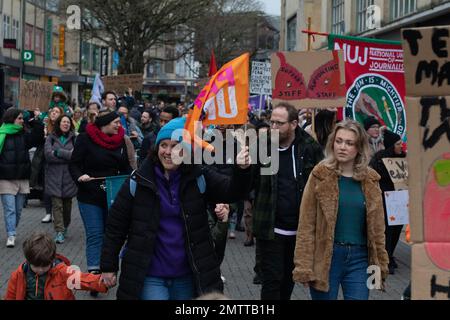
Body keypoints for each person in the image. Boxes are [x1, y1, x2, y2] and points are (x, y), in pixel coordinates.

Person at [100, 117, 252, 300]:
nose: (168, 151)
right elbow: (116, 226)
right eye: (164, 145)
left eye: (175, 146)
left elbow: (232, 192)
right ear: (157, 148)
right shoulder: (138, 180)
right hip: (150, 274)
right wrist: (108, 266)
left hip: (188, 274)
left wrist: (242, 170)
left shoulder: (198, 176)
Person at [293, 119, 389, 300]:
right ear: (332, 143)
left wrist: (380, 267)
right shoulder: (320, 174)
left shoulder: (371, 180)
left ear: (359, 147)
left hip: (360, 259)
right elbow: (306, 224)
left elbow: (377, 230)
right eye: (339, 141)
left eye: (349, 143)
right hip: (326, 258)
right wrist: (303, 266)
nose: (342, 147)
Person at [252, 102, 323, 300]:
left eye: (279, 123)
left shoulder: (309, 147)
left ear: (293, 124)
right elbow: (249, 182)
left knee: (287, 280)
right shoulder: (262, 146)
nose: (273, 127)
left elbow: (322, 184)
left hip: (299, 230)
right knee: (271, 281)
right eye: (272, 122)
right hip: (270, 228)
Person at [69, 109, 132, 290]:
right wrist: (80, 176)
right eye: (116, 123)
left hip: (112, 195)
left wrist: (133, 177)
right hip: (89, 194)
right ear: (105, 123)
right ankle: (94, 278)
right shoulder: (84, 138)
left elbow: (125, 166)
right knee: (95, 234)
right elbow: (74, 164)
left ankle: (109, 271)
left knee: (110, 235)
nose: (119, 126)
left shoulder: (121, 140)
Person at [4, 232, 107, 300]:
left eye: (45, 266)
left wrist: (104, 282)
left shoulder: (62, 271)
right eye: (36, 266)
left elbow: (83, 279)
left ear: (52, 259)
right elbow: (10, 296)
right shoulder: (19, 274)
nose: (40, 270)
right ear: (28, 260)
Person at [0, 108, 44, 247]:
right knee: (10, 209)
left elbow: (38, 138)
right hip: (6, 178)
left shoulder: (24, 134)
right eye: (19, 118)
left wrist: (35, 120)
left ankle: (12, 229)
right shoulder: (2, 134)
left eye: (22, 118)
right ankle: (11, 234)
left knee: (18, 210)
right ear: (11, 118)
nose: (21, 121)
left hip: (22, 178)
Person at [369, 130, 406, 275]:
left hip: (400, 199)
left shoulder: (404, 158)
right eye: (398, 144)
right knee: (387, 231)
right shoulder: (379, 158)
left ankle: (390, 254)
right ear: (391, 145)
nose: (401, 146)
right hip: (386, 198)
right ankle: (384, 258)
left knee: (397, 229)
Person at [44, 115, 77, 244]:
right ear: (59, 123)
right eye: (63, 122)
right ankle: (59, 231)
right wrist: (67, 155)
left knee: (67, 207)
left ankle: (65, 226)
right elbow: (48, 155)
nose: (66, 124)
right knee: (56, 206)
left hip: (69, 177)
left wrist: (58, 152)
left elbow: (75, 156)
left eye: (68, 122)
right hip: (53, 177)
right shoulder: (50, 138)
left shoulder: (75, 138)